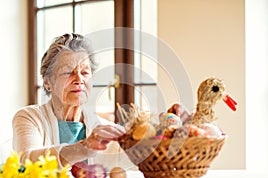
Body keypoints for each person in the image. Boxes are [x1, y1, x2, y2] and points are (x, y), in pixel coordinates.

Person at [12, 33, 189, 169]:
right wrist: (82, 148)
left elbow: (136, 157)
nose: (79, 78)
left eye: (85, 72)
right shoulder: (28, 118)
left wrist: (169, 125)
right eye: (68, 72)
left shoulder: (99, 125)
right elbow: (25, 161)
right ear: (47, 82)